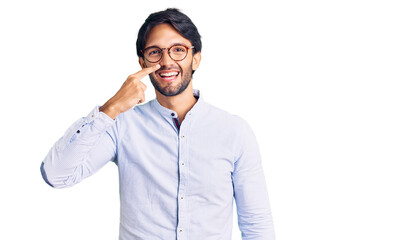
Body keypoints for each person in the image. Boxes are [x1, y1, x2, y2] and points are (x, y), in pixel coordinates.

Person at [40, 8, 275, 240]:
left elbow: (256, 224)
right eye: (155, 52)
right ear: (142, 62)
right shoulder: (122, 126)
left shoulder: (234, 132)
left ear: (196, 59)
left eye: (178, 50)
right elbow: (57, 175)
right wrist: (110, 108)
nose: (166, 61)